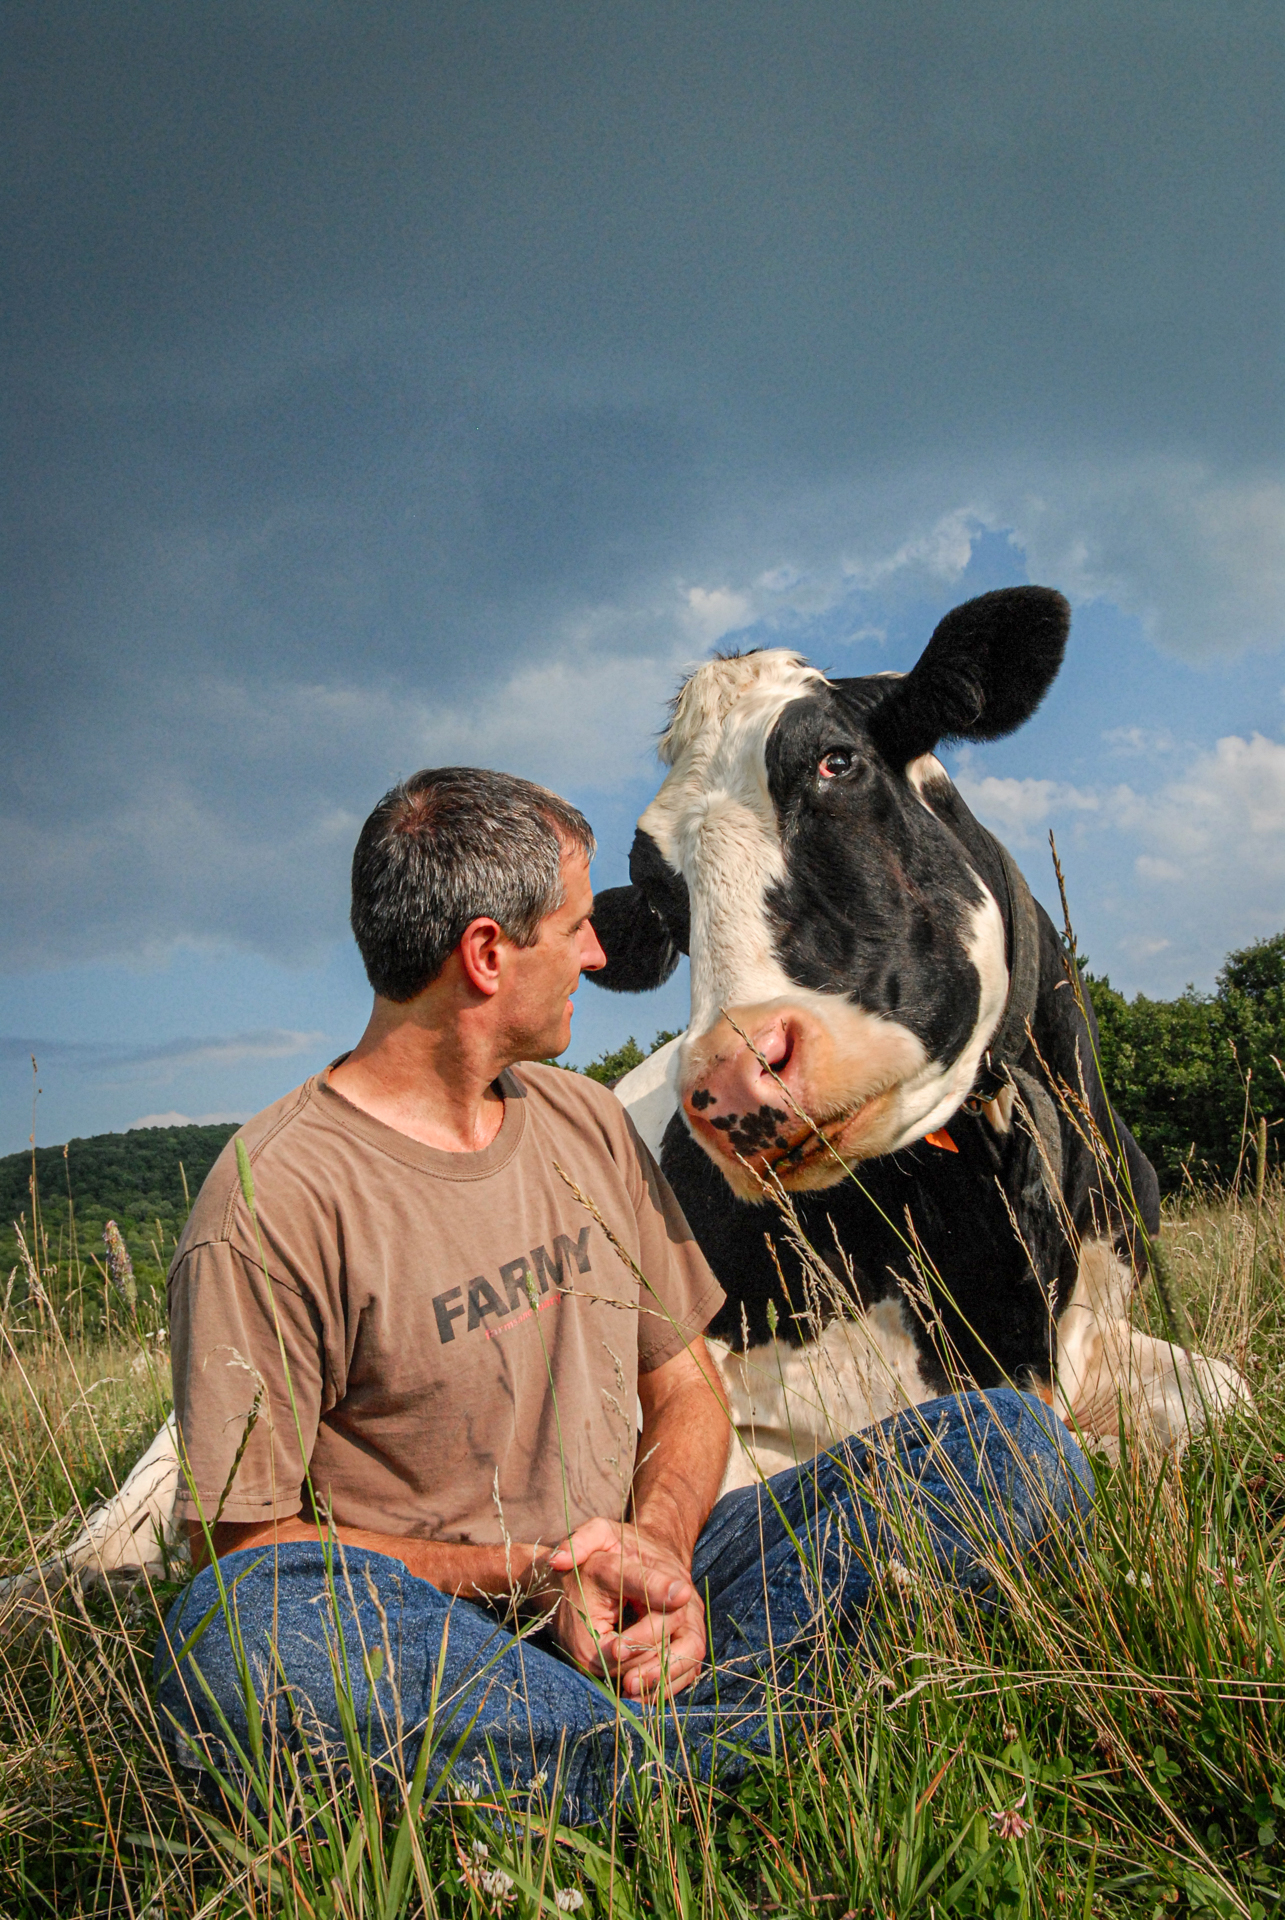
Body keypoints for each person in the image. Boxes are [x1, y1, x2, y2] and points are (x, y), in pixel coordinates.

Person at [154, 766, 1093, 1825]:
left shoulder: (586, 1124)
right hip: (439, 1632)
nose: (601, 954)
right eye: (575, 927)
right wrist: (528, 1576)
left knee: (1013, 1444)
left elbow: (683, 1377)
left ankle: (639, 1746)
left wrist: (655, 1550)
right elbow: (242, 1550)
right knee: (232, 1638)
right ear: (485, 954)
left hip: (650, 1576)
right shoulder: (268, 1199)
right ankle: (726, 1746)